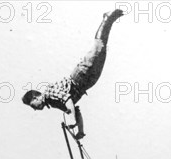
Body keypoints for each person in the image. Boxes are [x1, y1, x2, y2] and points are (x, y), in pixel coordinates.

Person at [22, 9, 124, 139]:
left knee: (99, 46)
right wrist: (80, 131)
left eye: (33, 106)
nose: (35, 109)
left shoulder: (49, 93)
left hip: (80, 76)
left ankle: (107, 19)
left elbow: (67, 100)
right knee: (102, 50)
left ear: (36, 97)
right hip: (87, 83)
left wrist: (72, 120)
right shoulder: (54, 103)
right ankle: (108, 21)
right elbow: (75, 111)